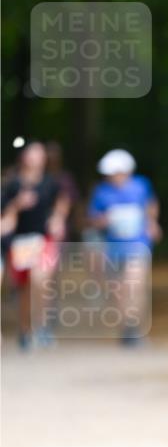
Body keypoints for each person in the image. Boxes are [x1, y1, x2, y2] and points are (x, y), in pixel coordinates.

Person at [87, 149, 161, 345]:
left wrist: (152, 223)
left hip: (138, 244)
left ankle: (135, 327)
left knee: (134, 284)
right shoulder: (101, 191)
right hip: (113, 248)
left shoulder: (140, 185)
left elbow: (151, 205)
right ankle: (127, 326)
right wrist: (104, 220)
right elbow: (93, 219)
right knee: (119, 290)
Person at [1, 141, 69, 349]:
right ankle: (25, 330)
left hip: (44, 239)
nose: (35, 158)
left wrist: (58, 219)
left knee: (41, 279)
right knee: (25, 289)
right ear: (23, 157)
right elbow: (6, 216)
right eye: (31, 153)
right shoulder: (12, 184)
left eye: (39, 154)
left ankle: (42, 326)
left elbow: (62, 201)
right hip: (20, 241)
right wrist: (17, 205)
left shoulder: (51, 181)